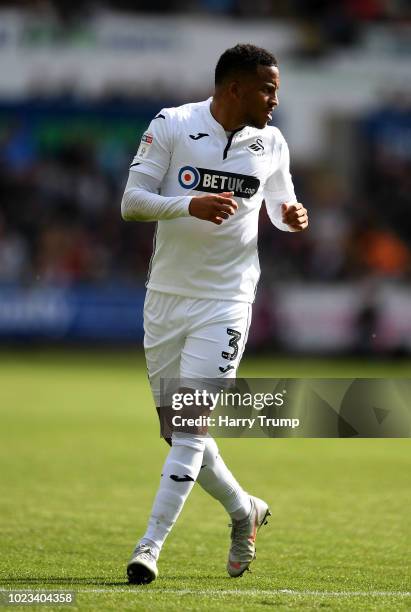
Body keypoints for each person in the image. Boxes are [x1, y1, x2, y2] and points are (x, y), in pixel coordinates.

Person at [121, 43, 308, 585]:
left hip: (227, 301)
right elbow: (133, 201)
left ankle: (149, 547)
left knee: (189, 429)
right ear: (235, 89)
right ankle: (243, 509)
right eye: (268, 88)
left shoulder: (271, 141)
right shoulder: (174, 124)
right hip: (167, 297)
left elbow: (278, 205)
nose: (275, 99)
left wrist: (291, 216)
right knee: (177, 431)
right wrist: (188, 204)